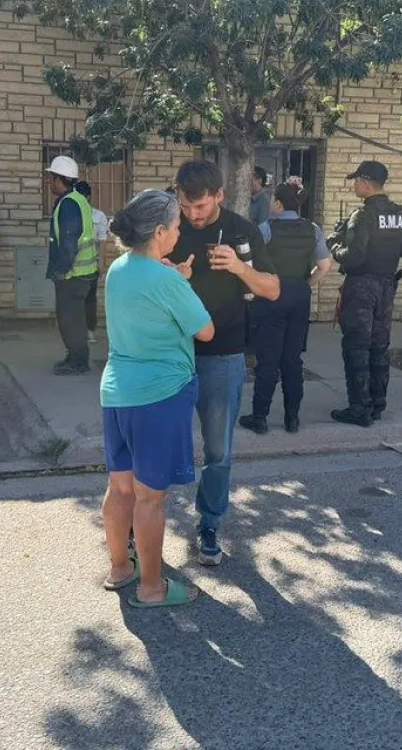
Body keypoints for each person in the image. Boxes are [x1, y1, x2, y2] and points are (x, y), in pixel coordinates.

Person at [100, 190, 215, 608]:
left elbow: (146, 303)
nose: (180, 233)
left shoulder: (118, 268)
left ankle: (120, 568)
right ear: (160, 231)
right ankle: (152, 588)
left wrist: (173, 280)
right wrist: (180, 282)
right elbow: (205, 331)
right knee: (151, 497)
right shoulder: (166, 279)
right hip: (159, 395)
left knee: (120, 488)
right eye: (177, 226)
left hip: (117, 390)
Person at [167, 160, 280, 565]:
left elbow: (272, 289)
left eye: (200, 206)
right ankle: (142, 526)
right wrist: (164, 273)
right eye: (185, 206)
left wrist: (238, 267)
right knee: (159, 445)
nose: (192, 215)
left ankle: (210, 523)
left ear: (219, 196)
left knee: (218, 451)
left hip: (223, 355)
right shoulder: (168, 226)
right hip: (171, 354)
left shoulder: (240, 231)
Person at [326, 160, 402, 427]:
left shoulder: (363, 215)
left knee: (356, 346)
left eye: (356, 181)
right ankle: (377, 404)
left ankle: (359, 408)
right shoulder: (401, 213)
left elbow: (354, 258)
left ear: (366, 183)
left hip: (362, 287)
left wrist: (334, 244)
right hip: (387, 286)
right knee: (379, 346)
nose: (354, 185)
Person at [239, 182, 333, 435]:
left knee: (268, 360)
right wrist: (305, 284)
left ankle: (260, 417)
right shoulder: (312, 229)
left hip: (270, 298)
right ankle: (292, 418)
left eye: (272, 200)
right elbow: (325, 266)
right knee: (292, 360)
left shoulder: (265, 229)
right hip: (299, 298)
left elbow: (249, 265)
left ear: (279, 204)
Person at [46, 155, 99, 375]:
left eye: (51, 178)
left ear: (59, 179)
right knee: (74, 318)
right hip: (84, 273)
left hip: (73, 275)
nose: (49, 182)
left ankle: (78, 362)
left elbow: (69, 240)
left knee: (70, 320)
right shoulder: (78, 199)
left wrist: (62, 270)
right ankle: (75, 356)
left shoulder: (68, 204)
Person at [75, 180, 110, 344]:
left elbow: (102, 241)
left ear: (88, 197)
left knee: (89, 299)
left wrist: (101, 263)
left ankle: (89, 330)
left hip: (90, 265)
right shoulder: (71, 214)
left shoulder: (98, 216)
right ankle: (76, 331)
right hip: (73, 265)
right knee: (75, 299)